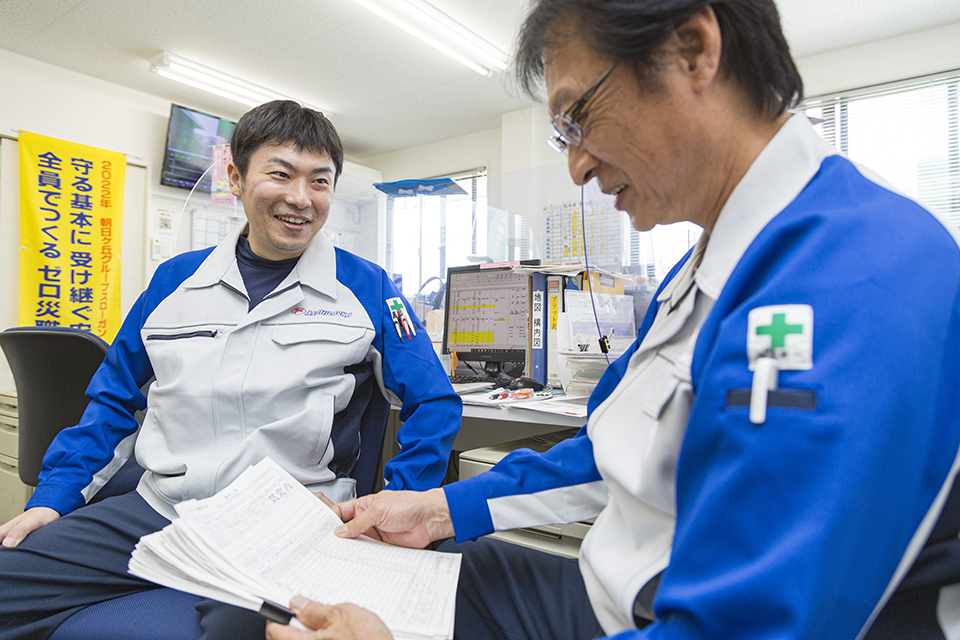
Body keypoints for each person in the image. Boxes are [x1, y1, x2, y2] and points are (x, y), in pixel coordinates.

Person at [264, 1, 960, 639]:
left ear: (693, 50)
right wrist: (436, 510)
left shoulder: (857, 273)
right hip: (606, 596)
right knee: (336, 589)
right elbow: (606, 451)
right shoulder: (702, 270)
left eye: (577, 117)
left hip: (676, 617)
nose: (575, 167)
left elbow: (750, 626)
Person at [0, 100, 462, 640]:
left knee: (243, 632)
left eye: (320, 181)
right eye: (280, 173)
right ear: (236, 178)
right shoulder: (176, 280)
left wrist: (393, 502)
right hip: (160, 510)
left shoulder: (368, 288)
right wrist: (52, 501)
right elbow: (114, 403)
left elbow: (434, 402)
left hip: (287, 526)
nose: (300, 198)